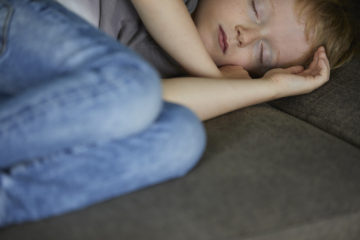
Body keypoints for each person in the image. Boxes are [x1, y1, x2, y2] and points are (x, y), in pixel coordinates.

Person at [0, 0, 355, 227]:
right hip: (20, 21)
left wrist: (269, 88)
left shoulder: (187, 79)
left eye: (263, 53)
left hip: (35, 94)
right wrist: (213, 76)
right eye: (256, 9)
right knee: (135, 85)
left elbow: (155, 103)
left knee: (182, 136)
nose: (245, 36)